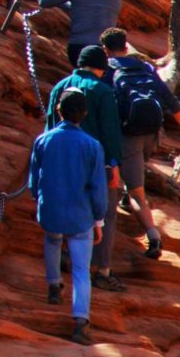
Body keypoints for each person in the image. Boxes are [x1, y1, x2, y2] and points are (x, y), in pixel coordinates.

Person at [100, 29, 180, 261]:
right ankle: (129, 194)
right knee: (136, 173)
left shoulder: (108, 69)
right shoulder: (145, 68)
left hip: (127, 135)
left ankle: (153, 236)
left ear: (106, 49)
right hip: (151, 134)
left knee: (137, 193)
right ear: (126, 46)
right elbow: (172, 104)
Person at [29, 89, 107, 346]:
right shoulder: (92, 146)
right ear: (83, 115)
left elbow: (34, 179)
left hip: (51, 209)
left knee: (52, 241)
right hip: (80, 214)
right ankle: (80, 322)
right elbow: (98, 187)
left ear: (58, 111)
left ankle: (53, 287)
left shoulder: (43, 140)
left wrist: (38, 199)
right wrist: (99, 220)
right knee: (81, 269)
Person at [44, 47, 125, 282]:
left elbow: (50, 123)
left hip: (61, 160)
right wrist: (114, 163)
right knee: (105, 213)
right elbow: (110, 131)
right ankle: (101, 269)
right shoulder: (102, 91)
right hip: (94, 163)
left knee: (63, 202)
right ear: (100, 68)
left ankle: (61, 253)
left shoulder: (60, 86)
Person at [37, 0, 122, 69]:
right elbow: (84, 9)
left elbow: (44, 1)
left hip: (77, 48)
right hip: (103, 51)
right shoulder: (116, 0)